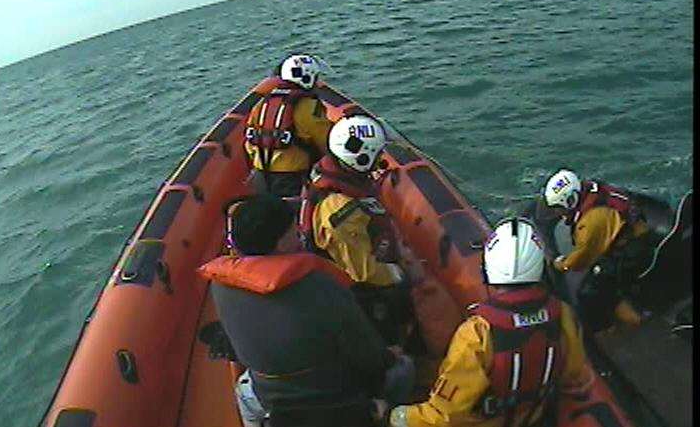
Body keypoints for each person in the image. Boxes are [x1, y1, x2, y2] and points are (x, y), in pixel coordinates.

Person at [197, 193, 414, 427]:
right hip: (330, 398)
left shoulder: (220, 285)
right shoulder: (319, 286)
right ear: (280, 243)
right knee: (403, 369)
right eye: (294, 231)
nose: (300, 235)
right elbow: (367, 352)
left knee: (245, 393)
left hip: (265, 397)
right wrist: (389, 355)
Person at [385, 217, 593, 427]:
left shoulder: (477, 333)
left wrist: (395, 416)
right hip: (533, 417)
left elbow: (445, 415)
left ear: (487, 269)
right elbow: (574, 374)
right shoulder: (563, 315)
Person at [298, 114, 411, 343]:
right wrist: (398, 274)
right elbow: (363, 272)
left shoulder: (331, 172)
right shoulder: (340, 211)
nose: (381, 158)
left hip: (356, 260)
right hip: (357, 288)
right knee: (399, 297)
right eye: (377, 153)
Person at [542, 168, 656, 330]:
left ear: (570, 201)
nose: (556, 212)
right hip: (638, 235)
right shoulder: (594, 191)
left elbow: (580, 260)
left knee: (591, 292)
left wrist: (559, 263)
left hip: (631, 253)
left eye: (558, 208)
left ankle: (617, 325)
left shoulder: (589, 224)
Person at [244, 54, 333, 198]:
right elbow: (327, 143)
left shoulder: (262, 104)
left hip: (260, 175)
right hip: (291, 179)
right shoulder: (309, 108)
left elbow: (250, 143)